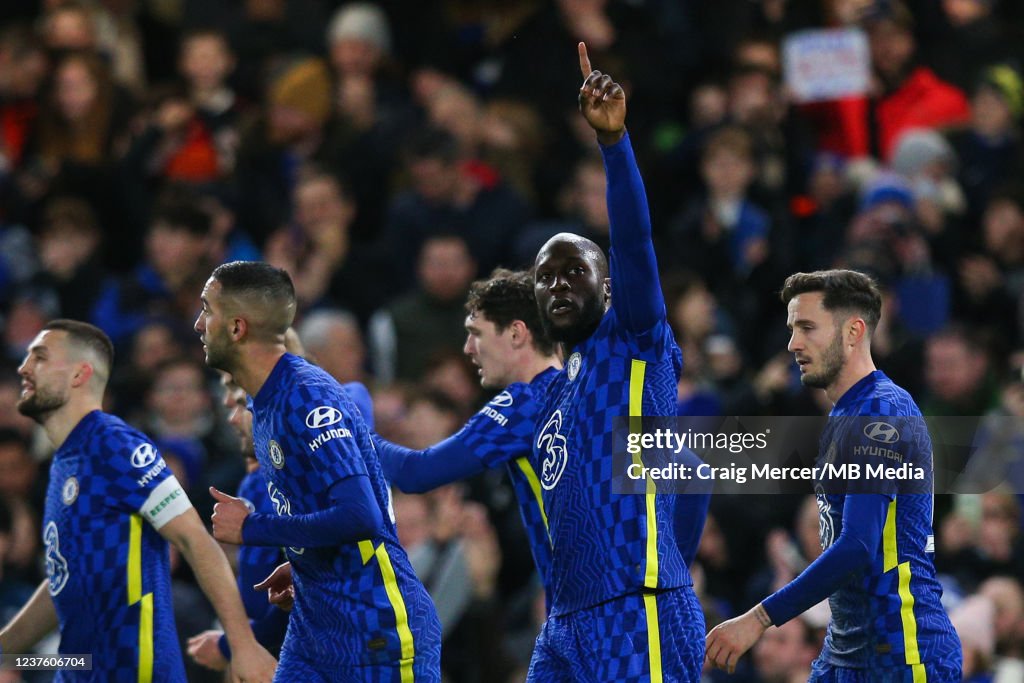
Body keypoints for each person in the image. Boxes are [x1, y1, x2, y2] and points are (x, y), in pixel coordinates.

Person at [524, 44, 705, 681]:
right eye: (544, 278)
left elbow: (632, 240)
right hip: (566, 621)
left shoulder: (633, 337)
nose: (558, 285)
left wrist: (614, 144)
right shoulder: (550, 392)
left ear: (609, 289)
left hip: (637, 610)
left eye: (575, 271)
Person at [705, 270, 963, 681]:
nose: (793, 344)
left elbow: (857, 546)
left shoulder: (878, 410)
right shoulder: (845, 414)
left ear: (853, 332)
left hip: (901, 652)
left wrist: (758, 618)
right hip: (848, 651)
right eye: (792, 329)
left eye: (807, 327)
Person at [193, 261, 441, 681]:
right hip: (315, 626)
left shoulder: (305, 398)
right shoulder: (267, 401)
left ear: (237, 328)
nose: (199, 324)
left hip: (374, 629)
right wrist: (305, 560)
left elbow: (360, 515)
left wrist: (254, 528)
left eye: (207, 309)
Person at [0, 319, 276, 682]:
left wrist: (242, 647)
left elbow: (194, 540)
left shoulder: (114, 444)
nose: (23, 367)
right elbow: (64, 584)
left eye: (40, 357)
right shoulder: (65, 463)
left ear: (80, 374)